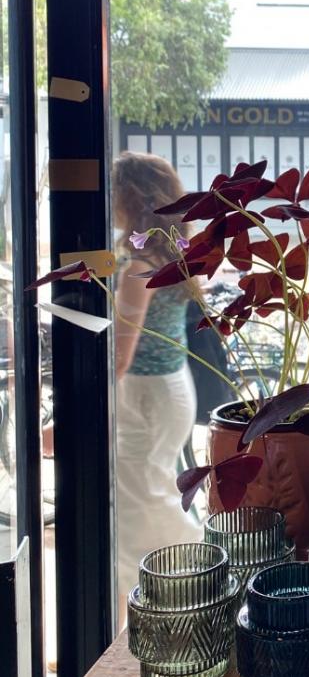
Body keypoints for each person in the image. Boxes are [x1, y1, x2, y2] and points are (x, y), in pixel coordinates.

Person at [112, 152, 202, 604]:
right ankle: (194, 585)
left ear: (129, 199)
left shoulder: (138, 268)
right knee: (158, 492)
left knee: (140, 509)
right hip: (173, 387)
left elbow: (120, 360)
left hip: (145, 397)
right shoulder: (174, 252)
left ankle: (194, 588)